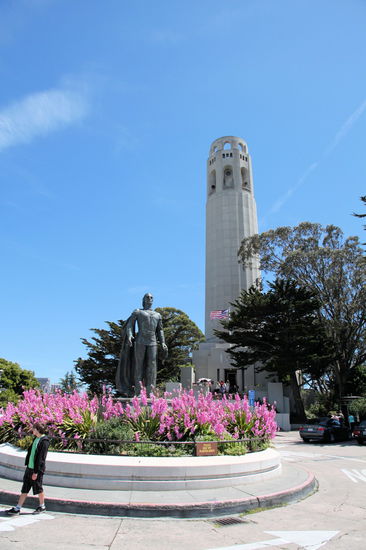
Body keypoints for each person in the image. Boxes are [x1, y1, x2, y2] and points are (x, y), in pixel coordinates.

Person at [117, 293, 168, 396]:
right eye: (147, 297)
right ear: (143, 300)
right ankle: (138, 391)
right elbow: (130, 325)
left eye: (151, 297)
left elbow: (160, 330)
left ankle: (150, 392)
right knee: (138, 366)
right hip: (140, 341)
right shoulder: (138, 312)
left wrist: (162, 342)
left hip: (153, 342)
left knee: (152, 367)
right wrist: (130, 335)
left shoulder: (157, 315)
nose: (149, 299)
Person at [6, 422, 50, 515]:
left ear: (38, 430)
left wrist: (36, 472)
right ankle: (18, 508)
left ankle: (42, 506)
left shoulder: (44, 441)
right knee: (25, 488)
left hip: (36, 470)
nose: (32, 430)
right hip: (29, 468)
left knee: (38, 488)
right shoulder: (36, 439)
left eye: (34, 428)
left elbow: (41, 458)